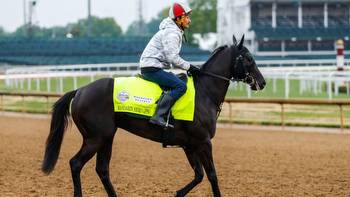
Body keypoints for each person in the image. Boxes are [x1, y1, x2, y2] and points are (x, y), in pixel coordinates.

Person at [140, 2, 200, 128]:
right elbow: (172, 58)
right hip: (152, 67)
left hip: (154, 65)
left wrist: (187, 68)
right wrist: (190, 67)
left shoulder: (174, 30)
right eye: (187, 17)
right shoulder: (172, 33)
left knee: (180, 78)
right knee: (180, 86)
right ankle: (158, 116)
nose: (189, 20)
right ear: (178, 19)